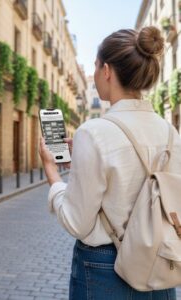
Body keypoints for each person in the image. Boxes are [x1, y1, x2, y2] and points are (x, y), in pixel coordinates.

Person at [39, 26, 181, 300]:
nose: (93, 75)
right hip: (160, 264)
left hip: (104, 268)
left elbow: (76, 223)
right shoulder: (170, 132)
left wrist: (52, 173)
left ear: (106, 71)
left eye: (95, 67)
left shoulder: (93, 132)